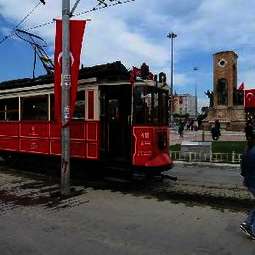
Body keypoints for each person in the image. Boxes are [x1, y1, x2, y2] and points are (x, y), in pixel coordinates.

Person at [240, 128, 255, 239]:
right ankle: (251, 228)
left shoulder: (247, 149)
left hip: (249, 182)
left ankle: (248, 224)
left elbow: (243, 170)